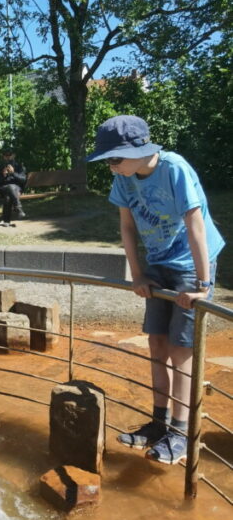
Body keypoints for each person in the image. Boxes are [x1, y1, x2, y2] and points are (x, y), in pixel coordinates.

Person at [87, 115, 225, 464]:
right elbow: (127, 228)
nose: (111, 167)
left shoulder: (174, 168)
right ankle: (158, 423)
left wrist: (203, 286)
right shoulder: (125, 179)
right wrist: (138, 275)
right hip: (157, 265)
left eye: (114, 159)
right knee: (157, 345)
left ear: (138, 150)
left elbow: (195, 224)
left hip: (191, 267)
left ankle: (179, 433)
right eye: (107, 161)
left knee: (181, 352)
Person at [0, 148, 27, 225]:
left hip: (17, 188)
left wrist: (13, 173)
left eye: (9, 155)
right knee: (10, 187)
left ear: (13, 155)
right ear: (3, 157)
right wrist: (3, 176)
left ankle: (6, 221)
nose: (7, 157)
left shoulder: (19, 166)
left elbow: (23, 179)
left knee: (8, 196)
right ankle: (18, 209)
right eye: (5, 155)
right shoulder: (0, 167)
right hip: (3, 188)